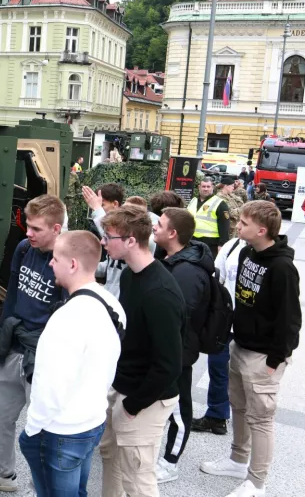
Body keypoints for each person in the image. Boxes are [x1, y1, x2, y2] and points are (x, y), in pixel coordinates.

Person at [0, 195, 69, 492]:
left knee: (45, 429)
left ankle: (48, 489)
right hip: (12, 342)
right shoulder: (25, 249)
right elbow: (11, 296)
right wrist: (1, 339)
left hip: (45, 354)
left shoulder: (66, 260)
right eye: (28, 226)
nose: (28, 233)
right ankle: (4, 476)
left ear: (57, 228)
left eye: (36, 228)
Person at [200, 201, 301, 497]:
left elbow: (290, 318)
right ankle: (237, 459)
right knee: (240, 408)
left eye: (243, 223)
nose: (237, 227)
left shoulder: (282, 268)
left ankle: (257, 482)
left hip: (263, 356)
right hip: (240, 345)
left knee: (261, 419)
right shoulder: (246, 252)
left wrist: (276, 359)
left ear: (262, 229)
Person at [19, 231, 126, 497]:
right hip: (92, 420)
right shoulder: (112, 304)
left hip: (60, 431)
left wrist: (32, 431)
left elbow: (50, 384)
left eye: (56, 258)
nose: (51, 263)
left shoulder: (67, 317)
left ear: (73, 264)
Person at [98, 204, 185, 497]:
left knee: (138, 478)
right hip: (122, 386)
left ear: (131, 241)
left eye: (108, 236)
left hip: (146, 399)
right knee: (111, 458)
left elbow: (170, 364)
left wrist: (134, 405)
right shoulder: (128, 276)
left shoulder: (160, 293)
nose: (103, 242)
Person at [151, 207, 215, 484]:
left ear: (173, 234)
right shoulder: (168, 258)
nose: (154, 227)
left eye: (160, 224)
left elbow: (177, 317)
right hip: (162, 349)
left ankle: (170, 462)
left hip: (176, 352)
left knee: (178, 407)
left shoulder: (188, 273)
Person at [192, 233, 248, 437]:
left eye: (243, 222)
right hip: (226, 323)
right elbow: (218, 279)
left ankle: (248, 420)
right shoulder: (232, 246)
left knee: (246, 377)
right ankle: (216, 416)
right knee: (218, 370)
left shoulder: (268, 255)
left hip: (250, 328)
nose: (238, 226)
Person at [188, 177, 230, 254]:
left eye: (208, 186)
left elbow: (224, 226)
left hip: (210, 243)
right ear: (199, 187)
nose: (206, 189)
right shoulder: (193, 201)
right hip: (192, 240)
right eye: (203, 186)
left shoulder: (220, 203)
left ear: (212, 187)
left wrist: (222, 245)